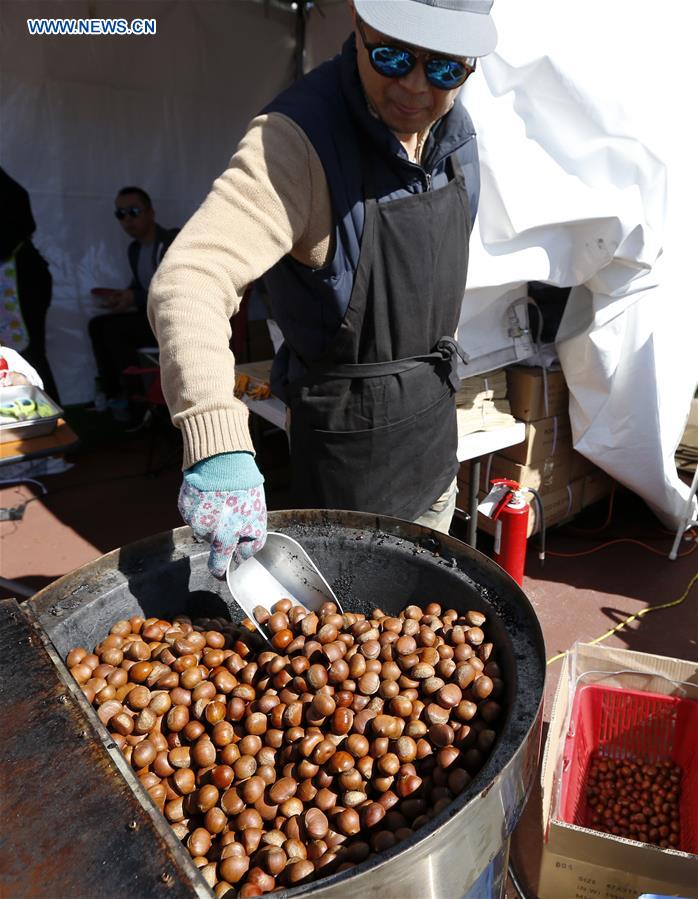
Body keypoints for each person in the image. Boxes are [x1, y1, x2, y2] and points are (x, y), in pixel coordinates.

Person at [149, 0, 497, 577]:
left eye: (443, 68)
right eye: (392, 56)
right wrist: (216, 439)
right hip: (346, 457)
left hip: (433, 439)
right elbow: (191, 277)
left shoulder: (456, 133)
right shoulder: (295, 141)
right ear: (358, 28)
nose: (415, 86)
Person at [88, 186, 178, 416]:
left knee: (114, 330)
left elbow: (174, 288)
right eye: (121, 214)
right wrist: (122, 297)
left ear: (151, 212)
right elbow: (140, 286)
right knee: (97, 325)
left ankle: (137, 402)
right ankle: (114, 394)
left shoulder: (170, 242)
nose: (127, 219)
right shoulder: (135, 249)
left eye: (134, 211)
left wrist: (133, 297)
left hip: (173, 321)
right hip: (151, 317)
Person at [0, 168, 60, 401]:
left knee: (28, 357)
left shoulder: (10, 194)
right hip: (16, 276)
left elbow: (17, 225)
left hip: (21, 281)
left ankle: (48, 413)